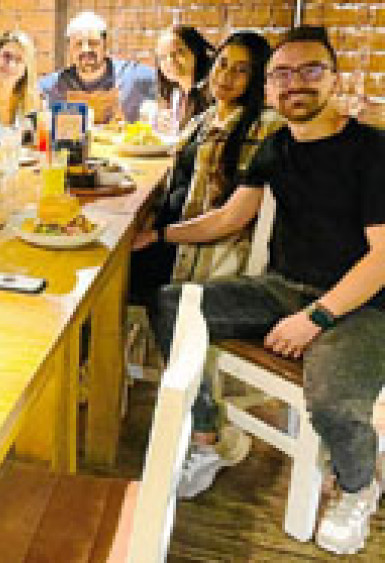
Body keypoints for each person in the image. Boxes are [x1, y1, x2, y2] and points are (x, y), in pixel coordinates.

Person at [146, 27, 385, 555]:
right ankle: (208, 437)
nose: (295, 83)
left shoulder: (371, 148)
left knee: (333, 403)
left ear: (334, 78)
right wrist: (160, 234)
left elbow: (382, 257)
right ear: (271, 86)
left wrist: (316, 319)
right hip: (281, 289)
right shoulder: (279, 144)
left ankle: (357, 486)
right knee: (173, 302)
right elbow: (232, 216)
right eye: (282, 73)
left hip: (361, 305)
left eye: (310, 70)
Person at [130, 31, 282, 311]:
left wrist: (157, 236)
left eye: (242, 70)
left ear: (258, 78)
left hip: (200, 251)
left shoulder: (265, 128)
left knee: (110, 276)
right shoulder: (205, 119)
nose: (226, 76)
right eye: (222, 64)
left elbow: (230, 219)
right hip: (172, 237)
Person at [38, 11, 156, 123]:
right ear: (69, 49)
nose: (86, 49)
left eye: (93, 43)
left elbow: (169, 81)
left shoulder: (133, 76)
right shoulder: (51, 86)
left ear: (105, 45)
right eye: (78, 44)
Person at [155, 25, 214, 133]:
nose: (170, 61)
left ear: (195, 52)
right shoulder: (175, 95)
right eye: (162, 57)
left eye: (178, 52)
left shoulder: (211, 94)